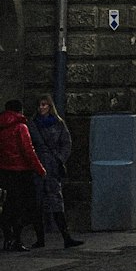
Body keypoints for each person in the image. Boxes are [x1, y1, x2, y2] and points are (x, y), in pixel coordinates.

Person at [28, 95, 83, 250]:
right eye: (39, 105)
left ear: (49, 106)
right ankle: (40, 239)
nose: (41, 108)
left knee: (56, 200)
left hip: (52, 165)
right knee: (37, 202)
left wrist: (59, 159)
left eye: (44, 105)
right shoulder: (33, 124)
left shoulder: (58, 123)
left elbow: (66, 142)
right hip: (38, 165)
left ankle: (66, 236)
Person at [0, 98, 45, 252]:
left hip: (5, 172)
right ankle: (17, 240)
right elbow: (28, 151)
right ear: (20, 110)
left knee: (7, 207)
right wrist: (40, 169)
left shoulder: (2, 127)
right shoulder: (21, 127)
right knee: (20, 208)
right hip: (21, 172)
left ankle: (7, 238)